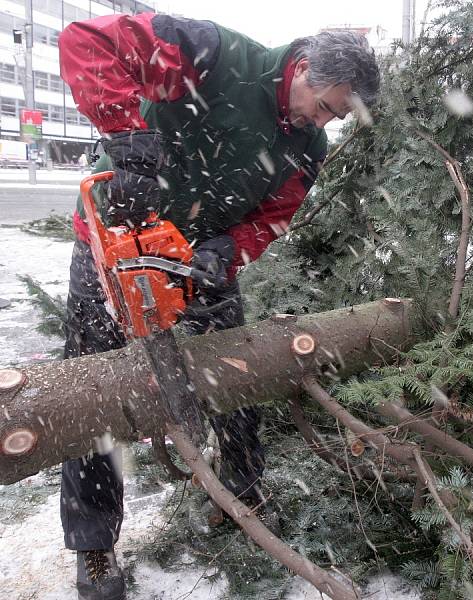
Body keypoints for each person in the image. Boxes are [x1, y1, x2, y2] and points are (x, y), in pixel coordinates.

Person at [57, 12, 379, 600]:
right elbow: (92, 41)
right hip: (116, 238)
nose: (323, 120)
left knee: (237, 371)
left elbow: (274, 218)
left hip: (194, 260)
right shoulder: (217, 57)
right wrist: (128, 141)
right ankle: (95, 547)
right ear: (303, 67)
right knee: (91, 394)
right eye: (326, 105)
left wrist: (227, 251)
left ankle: (242, 491)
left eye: (336, 115)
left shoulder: (307, 144)